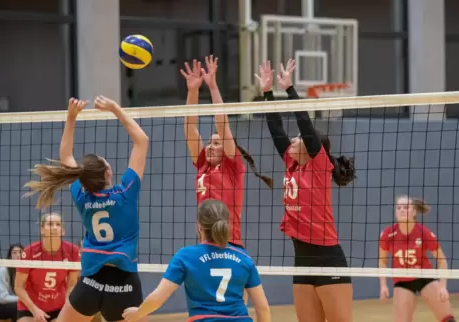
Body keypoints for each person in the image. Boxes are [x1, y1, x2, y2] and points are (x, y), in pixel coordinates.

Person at [23, 96, 148, 322]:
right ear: (108, 171)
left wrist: (71, 118)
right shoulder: (125, 193)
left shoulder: (81, 196)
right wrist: (115, 109)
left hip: (91, 281)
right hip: (124, 283)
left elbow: (66, 156)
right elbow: (141, 140)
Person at [255, 59, 356, 322]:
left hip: (328, 259)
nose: (294, 140)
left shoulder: (318, 165)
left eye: (299, 139)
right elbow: (276, 128)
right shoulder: (292, 163)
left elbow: (304, 124)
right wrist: (267, 92)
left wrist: (289, 89)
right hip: (302, 261)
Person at [122, 199, 271, 322]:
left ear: (199, 227)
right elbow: (263, 308)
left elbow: (158, 298)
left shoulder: (185, 257)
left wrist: (138, 313)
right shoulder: (244, 258)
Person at [181, 56, 272, 250]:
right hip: (204, 244)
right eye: (209, 143)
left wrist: (213, 87)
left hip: (229, 243)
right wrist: (193, 91)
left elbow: (222, 125)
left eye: (216, 143)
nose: (211, 146)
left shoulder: (232, 166)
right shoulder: (203, 164)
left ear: (227, 148)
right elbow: (190, 129)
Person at [379, 196, 455, 322]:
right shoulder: (388, 234)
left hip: (425, 277)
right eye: (399, 208)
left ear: (414, 212)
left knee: (448, 320)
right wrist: (383, 285)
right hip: (402, 281)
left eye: (406, 207)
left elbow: (441, 260)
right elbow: (382, 261)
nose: (402, 210)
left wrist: (442, 286)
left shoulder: (423, 232)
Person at [14, 213, 81, 322]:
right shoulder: (29, 251)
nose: (54, 227)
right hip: (30, 307)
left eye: (58, 224)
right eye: (50, 224)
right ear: (42, 229)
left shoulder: (72, 251)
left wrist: (67, 308)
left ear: (63, 231)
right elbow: (18, 287)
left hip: (59, 307)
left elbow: (72, 283)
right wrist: (35, 310)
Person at [0, 243, 24, 322]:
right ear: (10, 257)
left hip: (16, 303)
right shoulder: (3, 270)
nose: (18, 255)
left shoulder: (25, 271)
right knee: (18, 308)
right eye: (14, 252)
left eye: (20, 252)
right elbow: (2, 298)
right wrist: (22, 299)